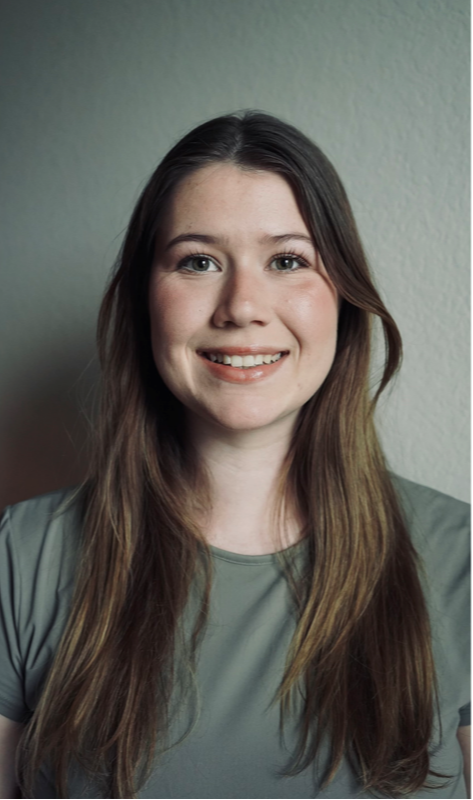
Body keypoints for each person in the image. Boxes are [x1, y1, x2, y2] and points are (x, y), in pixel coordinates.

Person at [0, 110, 471, 800]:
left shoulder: (460, 560)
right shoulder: (19, 558)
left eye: (287, 260)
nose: (241, 306)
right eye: (198, 261)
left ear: (342, 299)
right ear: (143, 300)